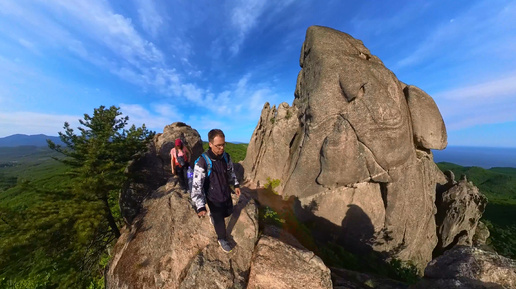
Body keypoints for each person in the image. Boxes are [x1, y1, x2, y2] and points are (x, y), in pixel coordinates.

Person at [191, 129, 241, 253]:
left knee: (228, 212)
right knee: (219, 220)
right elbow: (196, 185)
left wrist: (235, 184)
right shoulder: (202, 162)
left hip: (225, 192)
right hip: (213, 197)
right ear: (210, 144)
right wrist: (200, 206)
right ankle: (222, 238)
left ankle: (215, 216)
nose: (222, 148)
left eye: (223, 144)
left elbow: (231, 172)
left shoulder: (226, 157)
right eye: (218, 145)